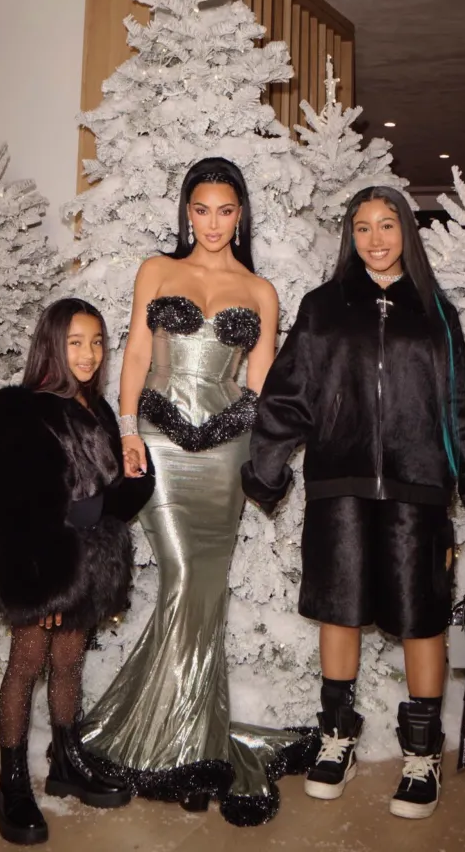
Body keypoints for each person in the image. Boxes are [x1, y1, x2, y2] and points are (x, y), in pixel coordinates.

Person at [241, 185, 465, 820]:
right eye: (362, 227)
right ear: (350, 235)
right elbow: (288, 397)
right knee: (339, 612)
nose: (375, 238)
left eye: (387, 225)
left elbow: (463, 417)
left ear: (406, 233)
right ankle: (336, 739)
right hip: (338, 490)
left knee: (422, 619)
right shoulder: (323, 307)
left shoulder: (437, 315)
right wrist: (265, 472)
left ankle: (420, 758)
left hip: (418, 493)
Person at [81, 157, 316, 826]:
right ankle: (172, 737)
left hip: (227, 450)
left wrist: (276, 446)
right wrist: (125, 429)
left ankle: (193, 744)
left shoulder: (262, 291)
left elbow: (263, 379)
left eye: (226, 210)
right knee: (184, 575)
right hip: (158, 442)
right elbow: (133, 354)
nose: (213, 223)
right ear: (187, 212)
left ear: (241, 215)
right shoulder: (157, 270)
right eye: (202, 209)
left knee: (205, 588)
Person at [0, 298, 155, 846]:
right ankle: (12, 784)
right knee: (27, 664)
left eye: (97, 341)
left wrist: (136, 477)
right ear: (50, 343)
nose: (89, 353)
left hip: (86, 567)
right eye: (75, 341)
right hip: (41, 567)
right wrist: (43, 582)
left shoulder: (95, 409)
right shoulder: (20, 412)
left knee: (70, 662)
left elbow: (106, 500)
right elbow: (13, 511)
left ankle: (67, 761)